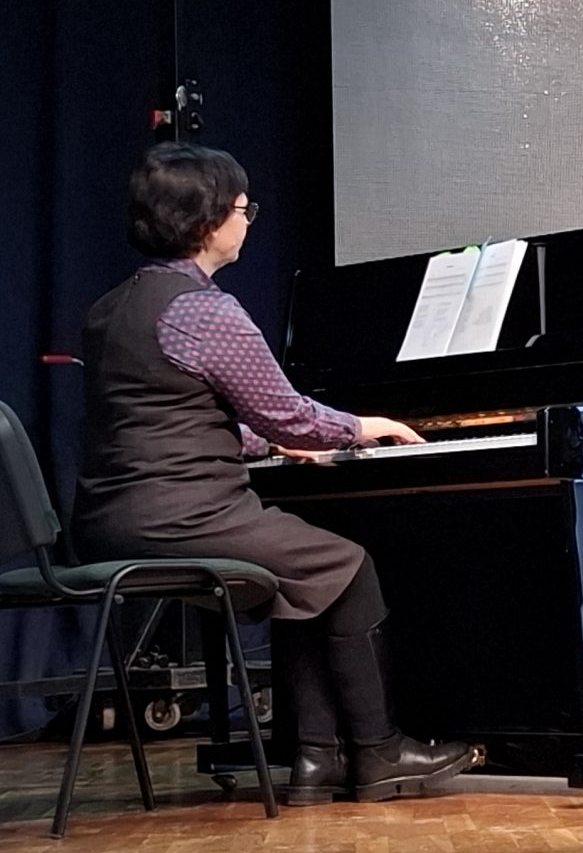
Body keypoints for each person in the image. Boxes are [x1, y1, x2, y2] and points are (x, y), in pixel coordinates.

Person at [72, 144, 483, 805]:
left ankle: (317, 759)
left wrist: (263, 443)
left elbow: (160, 416)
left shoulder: (110, 308)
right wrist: (362, 426)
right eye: (243, 208)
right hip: (186, 517)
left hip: (105, 523)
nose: (247, 220)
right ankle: (380, 751)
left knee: (304, 574)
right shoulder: (204, 311)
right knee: (347, 566)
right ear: (208, 219)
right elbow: (291, 414)